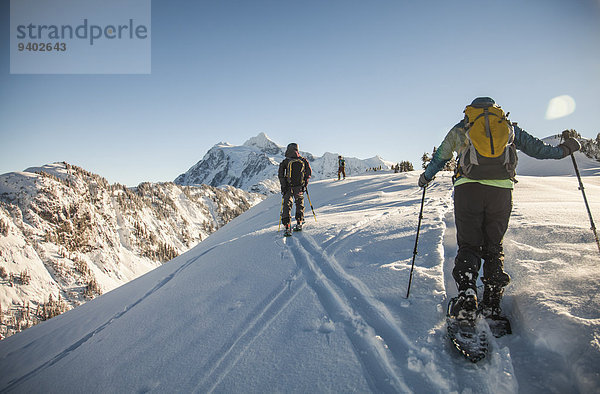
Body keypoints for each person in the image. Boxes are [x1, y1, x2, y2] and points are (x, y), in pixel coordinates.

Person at [418, 97, 581, 322]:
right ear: (497, 111)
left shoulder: (462, 128)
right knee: (494, 245)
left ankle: (466, 296)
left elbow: (440, 157)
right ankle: (493, 301)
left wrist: (426, 177)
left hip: (468, 190)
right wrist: (565, 150)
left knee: (469, 244)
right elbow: (540, 150)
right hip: (501, 191)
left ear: (470, 111)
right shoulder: (508, 128)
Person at [279, 143, 312, 236]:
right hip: (299, 186)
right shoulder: (303, 160)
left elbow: (281, 175)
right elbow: (308, 173)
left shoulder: (286, 161)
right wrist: (305, 183)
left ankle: (287, 226)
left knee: (287, 205)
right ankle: (299, 222)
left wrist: (283, 185)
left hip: (288, 187)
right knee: (299, 203)